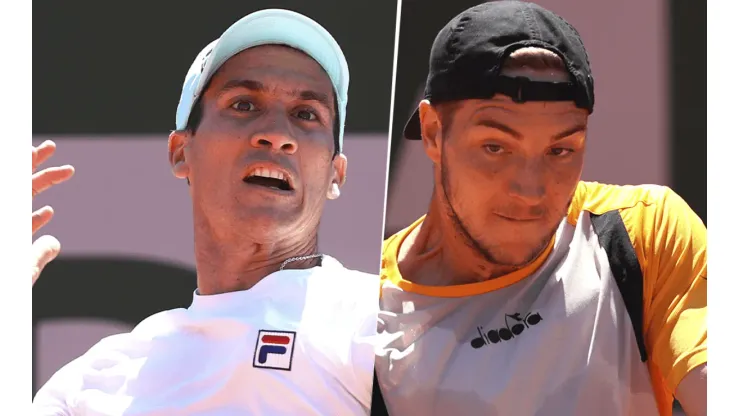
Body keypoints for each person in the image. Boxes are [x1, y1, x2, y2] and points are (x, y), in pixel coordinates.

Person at [32, 9, 379, 415]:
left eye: (306, 115)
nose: (278, 135)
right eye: (245, 104)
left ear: (335, 173)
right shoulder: (94, 381)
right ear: (181, 152)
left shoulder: (380, 320)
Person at [372, 2, 706, 416]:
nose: (530, 190)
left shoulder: (643, 231)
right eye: (496, 147)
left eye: (560, 149)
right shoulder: (360, 306)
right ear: (433, 133)